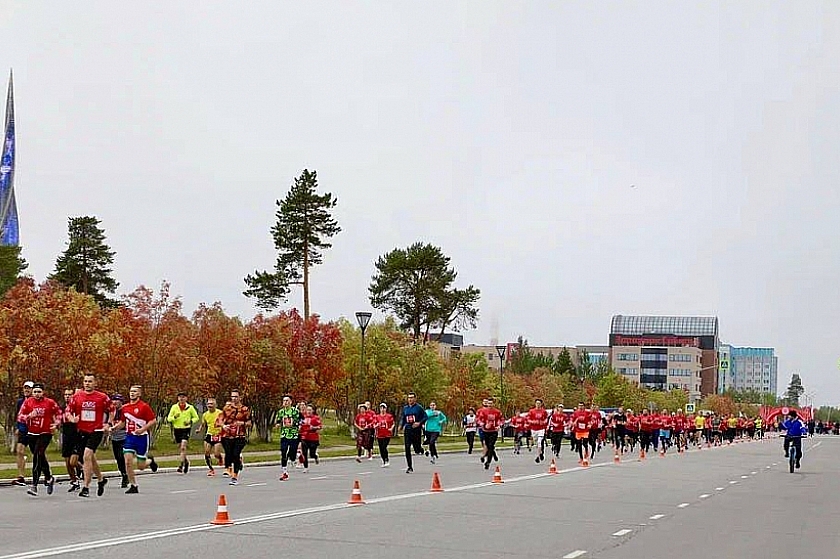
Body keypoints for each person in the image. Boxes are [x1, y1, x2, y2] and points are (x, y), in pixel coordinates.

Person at [67, 373, 112, 498]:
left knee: (87, 455)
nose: (87, 383)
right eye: (85, 381)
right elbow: (68, 410)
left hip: (96, 430)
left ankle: (85, 487)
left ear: (95, 383)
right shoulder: (77, 396)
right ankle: (101, 479)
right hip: (82, 430)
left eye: (90, 381)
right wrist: (72, 419)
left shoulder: (102, 397)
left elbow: (112, 409)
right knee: (90, 458)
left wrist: (108, 423)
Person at [17, 383, 61, 496]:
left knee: (37, 455)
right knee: (40, 456)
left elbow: (59, 413)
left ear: (43, 392)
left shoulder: (49, 402)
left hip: (45, 432)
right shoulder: (28, 402)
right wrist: (29, 417)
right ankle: (48, 477)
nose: (37, 394)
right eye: (35, 392)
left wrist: (56, 423)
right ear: (32, 392)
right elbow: (20, 417)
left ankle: (34, 485)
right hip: (32, 433)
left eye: (39, 392)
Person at [117, 385, 159, 494]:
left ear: (139, 394)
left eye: (135, 391)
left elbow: (153, 421)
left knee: (141, 467)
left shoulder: (144, 406)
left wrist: (143, 429)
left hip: (142, 438)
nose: (132, 393)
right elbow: (122, 422)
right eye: (131, 391)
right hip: (130, 438)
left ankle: (150, 462)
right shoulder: (125, 408)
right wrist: (114, 428)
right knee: (128, 462)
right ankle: (133, 485)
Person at [219, 389, 251, 485]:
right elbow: (220, 419)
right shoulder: (227, 408)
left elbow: (249, 423)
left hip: (239, 435)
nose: (234, 398)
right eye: (232, 396)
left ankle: (234, 476)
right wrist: (223, 426)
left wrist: (242, 423)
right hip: (227, 435)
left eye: (236, 396)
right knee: (229, 454)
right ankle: (236, 463)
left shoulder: (245, 409)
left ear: (240, 397)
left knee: (236, 454)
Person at [167, 392, 199, 474]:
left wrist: (190, 421)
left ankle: (181, 465)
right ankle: (186, 462)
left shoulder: (190, 408)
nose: (181, 399)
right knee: (181, 448)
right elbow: (169, 419)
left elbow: (196, 417)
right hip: (177, 429)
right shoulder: (174, 407)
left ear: (186, 398)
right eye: (180, 397)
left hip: (186, 429)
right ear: (178, 398)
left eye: (183, 397)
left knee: (183, 447)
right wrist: (174, 417)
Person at [60, 388, 83, 492]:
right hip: (66, 436)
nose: (67, 396)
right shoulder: (62, 408)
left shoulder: (79, 407)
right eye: (66, 394)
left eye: (69, 394)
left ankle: (84, 468)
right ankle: (74, 481)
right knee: (67, 462)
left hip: (77, 436)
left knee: (73, 461)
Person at [13, 380, 34, 486]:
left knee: (38, 454)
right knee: (19, 451)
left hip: (34, 430)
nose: (26, 390)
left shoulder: (36, 401)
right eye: (25, 388)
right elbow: (18, 415)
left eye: (29, 388)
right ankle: (21, 476)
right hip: (23, 429)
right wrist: (17, 427)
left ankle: (45, 474)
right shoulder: (20, 402)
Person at [276, 395, 301, 481]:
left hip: (293, 435)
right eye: (284, 401)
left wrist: (292, 423)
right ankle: (284, 472)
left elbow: (298, 421)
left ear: (291, 402)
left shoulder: (295, 411)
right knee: (283, 452)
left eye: (287, 401)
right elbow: (278, 420)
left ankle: (294, 458)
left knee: (292, 453)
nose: (285, 402)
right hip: (284, 435)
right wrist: (278, 424)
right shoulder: (281, 412)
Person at [400, 392, 427, 473]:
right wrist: (401, 426)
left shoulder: (419, 408)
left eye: (412, 398)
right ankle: (409, 466)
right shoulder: (405, 408)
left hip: (416, 430)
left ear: (415, 399)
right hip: (408, 429)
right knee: (407, 448)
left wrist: (419, 423)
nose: (410, 399)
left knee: (417, 448)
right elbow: (403, 418)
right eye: (409, 398)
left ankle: (421, 450)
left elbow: (425, 417)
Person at [196, 398, 224, 476]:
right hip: (209, 434)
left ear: (215, 405)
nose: (210, 405)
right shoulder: (205, 414)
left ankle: (220, 458)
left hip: (218, 435)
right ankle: (211, 469)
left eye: (211, 404)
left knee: (216, 454)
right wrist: (199, 430)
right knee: (206, 453)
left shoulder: (220, 413)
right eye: (208, 404)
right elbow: (203, 424)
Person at [476, 397, 504, 470]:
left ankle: (488, 462)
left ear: (493, 404)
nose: (490, 405)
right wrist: (482, 424)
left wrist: (499, 425)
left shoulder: (497, 412)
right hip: (485, 431)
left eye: (491, 403)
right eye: (488, 403)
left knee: (491, 446)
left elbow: (501, 420)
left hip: (493, 431)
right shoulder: (483, 412)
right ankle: (492, 456)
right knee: (487, 446)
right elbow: (478, 419)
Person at [109, 394, 129, 488]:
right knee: (118, 458)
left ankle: (126, 474)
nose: (114, 402)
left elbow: (122, 423)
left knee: (122, 456)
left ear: (121, 401)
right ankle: (123, 474)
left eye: (116, 400)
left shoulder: (124, 411)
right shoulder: (112, 411)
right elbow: (109, 421)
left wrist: (113, 428)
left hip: (124, 436)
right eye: (113, 400)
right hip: (114, 437)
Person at [299, 404, 322, 471]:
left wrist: (314, 427)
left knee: (312, 454)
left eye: (310, 410)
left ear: (313, 411)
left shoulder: (315, 418)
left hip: (313, 438)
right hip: (304, 437)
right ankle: (305, 467)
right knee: (304, 453)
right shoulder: (303, 417)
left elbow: (320, 426)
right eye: (307, 410)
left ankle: (315, 456)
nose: (308, 411)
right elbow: (300, 425)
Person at [528, 399, 549, 463]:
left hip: (541, 429)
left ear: (541, 404)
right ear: (535, 404)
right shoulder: (531, 411)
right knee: (537, 443)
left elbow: (546, 419)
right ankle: (541, 453)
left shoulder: (544, 412)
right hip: (534, 429)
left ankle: (538, 456)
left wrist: (543, 422)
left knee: (540, 442)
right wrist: (534, 421)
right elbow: (528, 420)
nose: (538, 404)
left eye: (539, 403)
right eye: (537, 403)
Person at [374, 403, 395, 467]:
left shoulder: (389, 416)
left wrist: (391, 428)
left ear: (386, 409)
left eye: (384, 408)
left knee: (384, 447)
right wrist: (376, 426)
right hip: (379, 434)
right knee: (381, 448)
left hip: (387, 434)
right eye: (381, 408)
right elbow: (374, 424)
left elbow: (393, 423)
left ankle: (386, 459)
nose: (382, 409)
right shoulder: (377, 417)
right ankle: (384, 460)